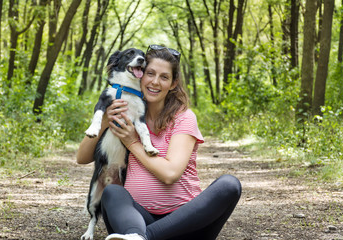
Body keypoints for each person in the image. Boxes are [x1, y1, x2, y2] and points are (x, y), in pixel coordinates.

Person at [76, 45, 242, 240]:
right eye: (150, 73)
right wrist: (104, 121)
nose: (155, 82)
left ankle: (142, 238)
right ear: (139, 74)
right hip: (137, 219)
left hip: (187, 225)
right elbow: (82, 157)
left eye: (164, 77)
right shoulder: (126, 115)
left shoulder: (183, 118)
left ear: (173, 83)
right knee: (112, 193)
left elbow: (170, 174)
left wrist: (132, 142)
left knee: (229, 185)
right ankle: (137, 235)